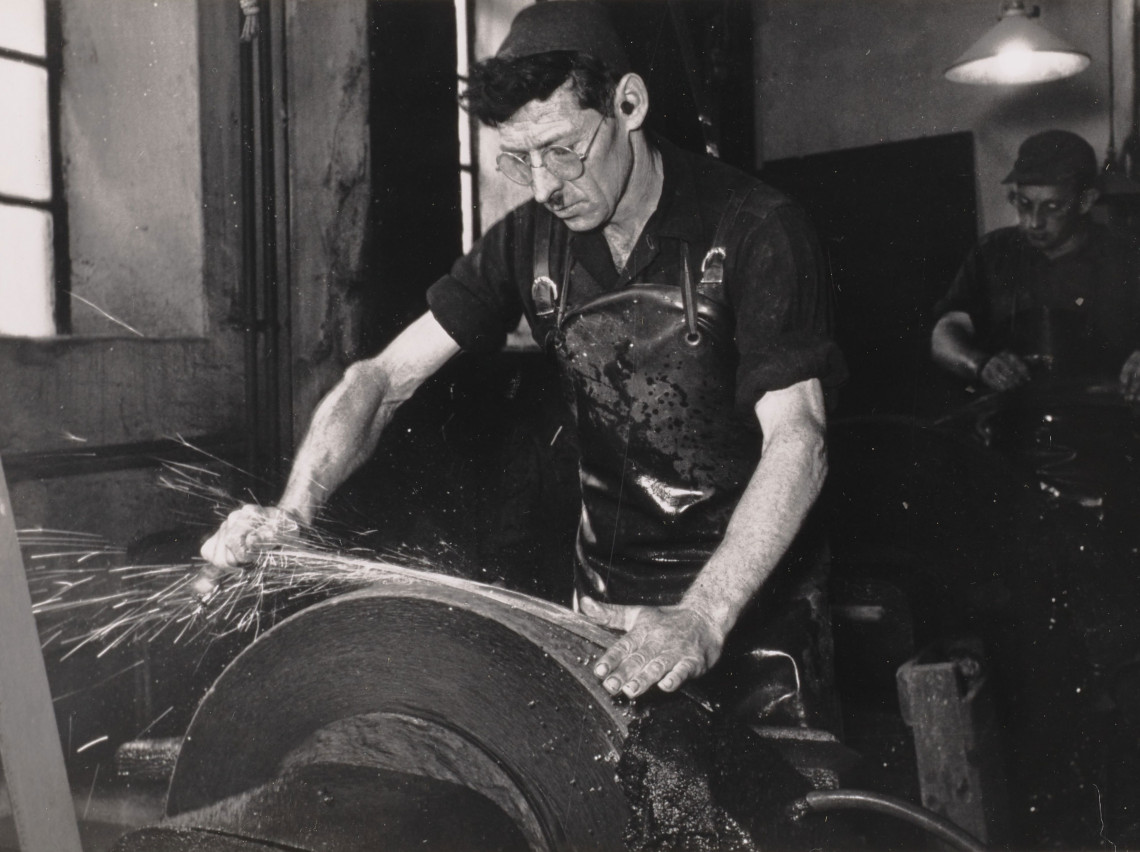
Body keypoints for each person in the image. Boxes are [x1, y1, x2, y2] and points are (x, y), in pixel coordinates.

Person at [200, 1, 844, 722]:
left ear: (628, 104)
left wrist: (703, 615)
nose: (542, 186)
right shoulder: (528, 241)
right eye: (518, 158)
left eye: (563, 151)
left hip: (752, 615)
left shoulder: (757, 228)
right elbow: (379, 382)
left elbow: (800, 439)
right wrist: (293, 512)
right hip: (606, 610)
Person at [931, 128, 1140, 397]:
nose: (1033, 222)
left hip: (1105, 415)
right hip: (1013, 414)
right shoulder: (993, 252)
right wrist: (979, 363)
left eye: (1052, 207)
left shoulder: (1128, 256)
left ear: (1086, 201)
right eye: (1024, 204)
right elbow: (945, 333)